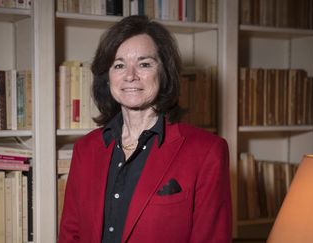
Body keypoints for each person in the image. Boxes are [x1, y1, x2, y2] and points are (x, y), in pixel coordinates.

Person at [58, 15, 232, 243]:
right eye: (119, 65)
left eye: (144, 64)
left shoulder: (207, 152)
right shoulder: (85, 149)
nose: (130, 76)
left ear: (164, 72)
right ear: (107, 77)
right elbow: (71, 235)